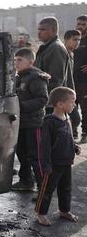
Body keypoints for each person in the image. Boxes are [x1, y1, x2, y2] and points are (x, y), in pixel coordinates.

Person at [35, 87, 81, 226]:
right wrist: (46, 164)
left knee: (66, 188)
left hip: (66, 162)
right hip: (53, 164)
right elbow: (45, 145)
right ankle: (40, 213)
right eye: (72, 102)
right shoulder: (50, 122)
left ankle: (64, 210)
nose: (74, 104)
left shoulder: (67, 118)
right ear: (60, 104)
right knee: (47, 190)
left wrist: (75, 147)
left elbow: (69, 137)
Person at [11, 48, 49, 192]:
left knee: (36, 157)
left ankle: (43, 188)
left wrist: (20, 106)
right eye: (15, 60)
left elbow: (43, 99)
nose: (16, 63)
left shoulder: (36, 77)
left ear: (30, 61)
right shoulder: (19, 76)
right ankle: (25, 181)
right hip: (20, 123)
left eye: (20, 60)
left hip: (33, 123)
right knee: (22, 153)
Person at [34, 17, 73, 93]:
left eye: (43, 29)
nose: (39, 32)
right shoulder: (47, 47)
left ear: (53, 30)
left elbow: (56, 81)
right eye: (38, 29)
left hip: (56, 99)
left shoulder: (56, 48)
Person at [64, 29, 82, 138]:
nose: (77, 42)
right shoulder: (62, 52)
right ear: (66, 40)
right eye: (74, 39)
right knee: (75, 118)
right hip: (63, 92)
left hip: (70, 91)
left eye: (79, 40)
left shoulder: (71, 53)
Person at [74, 15, 87, 143]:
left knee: (85, 109)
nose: (81, 27)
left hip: (85, 82)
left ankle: (85, 133)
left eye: (83, 24)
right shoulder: (74, 39)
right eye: (79, 24)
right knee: (72, 107)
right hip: (73, 80)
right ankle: (72, 134)